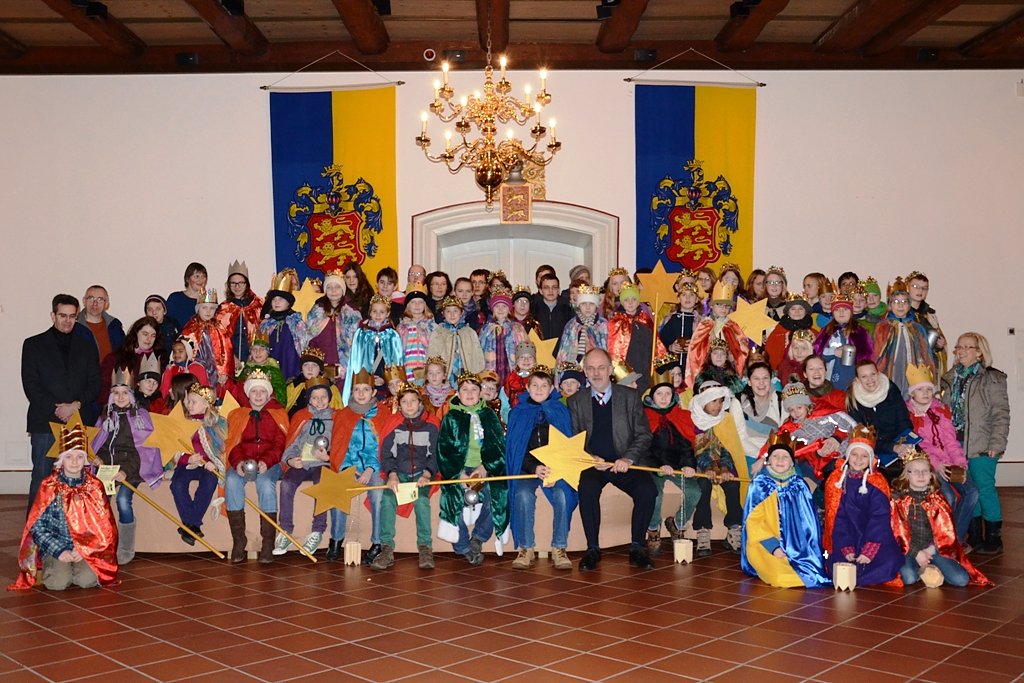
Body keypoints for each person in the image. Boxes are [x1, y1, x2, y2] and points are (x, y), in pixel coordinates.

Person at [568, 348, 656, 571]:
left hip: (624, 463)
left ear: (610, 370)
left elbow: (644, 434)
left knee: (647, 490)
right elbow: (573, 439)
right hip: (594, 464)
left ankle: (637, 547)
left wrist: (628, 458)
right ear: (585, 372)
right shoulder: (575, 401)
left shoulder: (629, 397)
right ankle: (592, 549)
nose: (596, 373)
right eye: (591, 368)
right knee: (587, 489)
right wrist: (590, 458)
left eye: (601, 368)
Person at [10, 424, 118, 591]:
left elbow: (104, 526)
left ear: (85, 460)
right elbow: (37, 526)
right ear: (61, 460)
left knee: (86, 581)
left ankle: (78, 568)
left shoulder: (94, 487)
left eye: (79, 457)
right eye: (69, 457)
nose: (74, 462)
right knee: (57, 583)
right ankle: (58, 567)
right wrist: (59, 551)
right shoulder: (49, 486)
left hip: (86, 547)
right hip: (56, 546)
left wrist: (83, 549)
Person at [941, 332, 1010, 555]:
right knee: (969, 490)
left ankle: (994, 538)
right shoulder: (949, 378)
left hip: (982, 444)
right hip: (956, 446)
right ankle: (976, 535)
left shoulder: (991, 378)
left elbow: (1000, 413)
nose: (961, 351)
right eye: (958, 347)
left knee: (984, 489)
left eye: (967, 347)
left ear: (979, 352)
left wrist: (997, 443)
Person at [505, 366, 577, 571]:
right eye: (534, 385)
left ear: (551, 388)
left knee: (563, 495)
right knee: (523, 495)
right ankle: (526, 548)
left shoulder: (559, 410)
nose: (539, 389)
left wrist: (555, 468)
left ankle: (559, 547)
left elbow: (566, 443)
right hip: (527, 467)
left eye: (544, 386)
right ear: (527, 388)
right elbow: (516, 449)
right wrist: (534, 467)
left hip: (555, 468)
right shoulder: (518, 412)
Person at [437, 372, 510, 565]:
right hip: (459, 469)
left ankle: (478, 537)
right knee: (452, 498)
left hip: (484, 468)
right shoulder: (451, 418)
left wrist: (485, 468)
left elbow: (498, 446)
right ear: (458, 393)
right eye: (465, 390)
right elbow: (444, 450)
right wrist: (459, 474)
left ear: (480, 392)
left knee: (497, 493)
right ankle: (463, 547)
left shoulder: (489, 416)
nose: (469, 394)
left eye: (474, 390)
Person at [91, 368, 163, 565]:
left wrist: (125, 472)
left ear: (131, 395)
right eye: (116, 393)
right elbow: (99, 445)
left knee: (123, 500)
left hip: (130, 470)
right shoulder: (105, 417)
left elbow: (143, 451)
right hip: (108, 469)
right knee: (99, 502)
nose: (120, 397)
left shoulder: (140, 416)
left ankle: (125, 547)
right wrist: (98, 459)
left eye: (125, 393)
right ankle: (102, 544)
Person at [890, 448, 990, 587]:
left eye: (925, 471)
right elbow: (896, 533)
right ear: (906, 475)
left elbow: (946, 532)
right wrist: (917, 553)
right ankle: (920, 566)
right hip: (907, 550)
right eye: (915, 471)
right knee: (909, 577)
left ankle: (930, 565)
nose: (921, 475)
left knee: (961, 580)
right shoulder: (899, 500)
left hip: (933, 549)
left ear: (931, 475)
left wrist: (930, 550)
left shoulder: (938, 500)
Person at [741, 435, 831, 588]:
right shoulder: (760, 486)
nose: (780, 460)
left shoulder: (799, 486)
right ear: (768, 460)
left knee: (811, 573)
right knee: (781, 577)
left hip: (795, 546)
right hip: (764, 545)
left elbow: (807, 522)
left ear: (792, 463)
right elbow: (754, 522)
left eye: (785, 457)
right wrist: (773, 546)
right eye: (775, 456)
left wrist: (800, 547)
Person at [906, 364, 978, 546]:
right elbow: (921, 447)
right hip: (929, 465)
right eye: (920, 389)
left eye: (928, 389)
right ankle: (940, 540)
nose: (925, 393)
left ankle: (954, 541)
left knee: (972, 493)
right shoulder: (908, 415)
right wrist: (937, 466)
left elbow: (951, 441)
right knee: (948, 497)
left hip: (950, 462)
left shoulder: (940, 410)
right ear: (912, 393)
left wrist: (960, 463)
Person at [821, 425, 903, 586]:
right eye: (854, 454)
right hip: (847, 535)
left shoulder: (877, 482)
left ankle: (860, 575)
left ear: (871, 459)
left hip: (874, 536)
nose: (858, 460)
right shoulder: (837, 481)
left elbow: (880, 518)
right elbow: (836, 517)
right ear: (847, 455)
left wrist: (869, 549)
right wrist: (846, 546)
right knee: (836, 563)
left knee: (889, 561)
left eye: (864, 456)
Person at [223, 369, 289, 564]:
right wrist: (238, 462)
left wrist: (266, 462)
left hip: (271, 462)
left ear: (269, 394)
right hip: (244, 461)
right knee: (231, 480)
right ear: (248, 393)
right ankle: (238, 541)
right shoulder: (237, 415)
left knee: (265, 483)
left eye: (262, 391)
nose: (258, 395)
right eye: (254, 391)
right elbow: (232, 443)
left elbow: (280, 444)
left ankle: (267, 543)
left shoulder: (278, 414)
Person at [374, 383, 439, 571]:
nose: (409, 405)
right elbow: (387, 454)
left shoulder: (431, 425)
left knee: (421, 501)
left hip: (421, 475)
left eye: (413, 401)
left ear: (420, 403)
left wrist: (427, 474)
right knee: (387, 499)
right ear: (399, 404)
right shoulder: (394, 425)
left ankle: (425, 547)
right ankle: (386, 548)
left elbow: (435, 454)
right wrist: (392, 475)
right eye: (405, 401)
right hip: (399, 474)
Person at [328, 369, 389, 564]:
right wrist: (349, 469)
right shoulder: (343, 415)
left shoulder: (383, 414)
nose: (361, 393)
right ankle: (336, 539)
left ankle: (377, 542)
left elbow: (385, 447)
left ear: (374, 392)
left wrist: (370, 469)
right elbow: (340, 447)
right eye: (357, 389)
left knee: (378, 493)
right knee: (336, 490)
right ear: (351, 392)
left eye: (366, 389)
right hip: (349, 466)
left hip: (375, 467)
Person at [274, 378, 335, 558]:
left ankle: (317, 531)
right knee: (286, 484)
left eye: (323, 397)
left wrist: (328, 457)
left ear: (329, 398)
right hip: (302, 462)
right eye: (315, 398)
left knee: (322, 484)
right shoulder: (301, 416)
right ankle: (285, 530)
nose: (319, 401)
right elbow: (293, 443)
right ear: (309, 399)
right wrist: (290, 460)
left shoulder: (336, 417)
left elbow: (341, 444)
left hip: (323, 464)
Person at [641, 381, 699, 554]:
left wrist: (688, 465)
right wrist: (658, 466)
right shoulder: (643, 417)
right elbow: (642, 448)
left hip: (677, 466)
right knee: (655, 494)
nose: (664, 398)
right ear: (652, 397)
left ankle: (677, 523)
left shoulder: (680, 416)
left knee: (694, 492)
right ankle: (653, 528)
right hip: (653, 467)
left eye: (668, 393)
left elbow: (686, 446)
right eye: (659, 394)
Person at [689, 380, 745, 557]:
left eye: (721, 401)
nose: (718, 405)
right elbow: (697, 449)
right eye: (714, 401)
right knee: (703, 486)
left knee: (733, 484)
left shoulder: (725, 419)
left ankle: (734, 528)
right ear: (703, 401)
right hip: (699, 465)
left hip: (722, 464)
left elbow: (728, 447)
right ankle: (703, 530)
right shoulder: (692, 419)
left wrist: (725, 468)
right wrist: (707, 467)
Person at [169, 383, 225, 545]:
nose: (189, 405)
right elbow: (174, 447)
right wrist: (187, 459)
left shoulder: (217, 424)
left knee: (210, 481)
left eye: (193, 402)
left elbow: (222, 447)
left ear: (206, 404)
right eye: (188, 401)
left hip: (208, 466)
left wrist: (214, 463)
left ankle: (188, 526)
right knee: (177, 484)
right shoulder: (183, 422)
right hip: (187, 464)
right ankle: (193, 526)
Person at [846, 360, 915, 480]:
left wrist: (905, 443)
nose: (870, 380)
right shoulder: (853, 400)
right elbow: (863, 438)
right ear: (857, 380)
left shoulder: (891, 390)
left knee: (917, 468)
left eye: (873, 374)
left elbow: (903, 421)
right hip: (875, 448)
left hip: (900, 443)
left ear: (878, 373)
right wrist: (892, 447)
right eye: (864, 376)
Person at [873, 277, 935, 398]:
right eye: (896, 302)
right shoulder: (882, 327)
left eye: (904, 302)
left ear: (909, 305)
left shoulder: (917, 328)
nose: (900, 306)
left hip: (913, 374)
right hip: (890, 373)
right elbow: (877, 353)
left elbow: (925, 354)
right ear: (890, 305)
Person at [685, 281, 749, 388]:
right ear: (712, 306)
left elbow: (742, 347)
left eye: (727, 306)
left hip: (728, 369)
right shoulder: (704, 324)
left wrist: (733, 354)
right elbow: (695, 349)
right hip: (708, 369)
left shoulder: (733, 326)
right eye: (719, 305)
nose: (723, 309)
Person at [607, 283, 666, 396]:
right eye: (627, 300)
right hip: (627, 370)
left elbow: (656, 344)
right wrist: (620, 372)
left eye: (634, 299)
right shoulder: (616, 322)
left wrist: (660, 364)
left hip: (645, 367)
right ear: (622, 302)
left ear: (638, 301)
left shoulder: (646, 320)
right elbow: (613, 351)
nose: (630, 303)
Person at [98, 316, 164, 408]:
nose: (149, 339)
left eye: (153, 335)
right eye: (145, 334)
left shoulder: (159, 360)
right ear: (135, 333)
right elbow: (102, 389)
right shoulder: (114, 358)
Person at [813, 293, 873, 391]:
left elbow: (867, 354)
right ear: (833, 313)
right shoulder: (827, 331)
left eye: (845, 309)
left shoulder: (860, 331)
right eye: (837, 310)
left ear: (851, 311)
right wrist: (834, 352)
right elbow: (818, 352)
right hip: (832, 376)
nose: (841, 312)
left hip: (854, 376)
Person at [180, 289, 233, 394]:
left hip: (216, 373)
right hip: (196, 372)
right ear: (198, 309)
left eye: (212, 308)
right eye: (204, 308)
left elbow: (227, 351)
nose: (208, 311)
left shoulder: (220, 329)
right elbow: (183, 349)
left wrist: (224, 371)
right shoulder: (190, 328)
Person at [260, 269, 307, 384]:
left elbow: (303, 345)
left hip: (291, 366)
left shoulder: (296, 322)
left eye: (281, 299)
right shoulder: (266, 324)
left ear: (288, 303)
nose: (277, 302)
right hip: (271, 368)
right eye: (274, 300)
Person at [426, 295, 485, 386]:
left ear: (461, 313)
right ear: (443, 313)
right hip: (446, 376)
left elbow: (477, 354)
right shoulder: (438, 333)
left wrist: (478, 372)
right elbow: (432, 354)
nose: (452, 314)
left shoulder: (469, 332)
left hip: (466, 374)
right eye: (448, 311)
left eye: (455, 311)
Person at [217, 260, 264, 368]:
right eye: (233, 283)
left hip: (254, 359)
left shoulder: (258, 306)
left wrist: (255, 355)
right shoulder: (223, 309)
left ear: (246, 284)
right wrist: (231, 357)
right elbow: (219, 337)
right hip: (230, 361)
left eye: (241, 283)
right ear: (228, 285)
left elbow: (263, 334)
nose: (237, 286)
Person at [479, 288, 528, 387]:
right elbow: (479, 350)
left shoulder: (517, 328)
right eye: (497, 306)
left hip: (511, 369)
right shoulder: (486, 329)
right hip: (491, 371)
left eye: (504, 306)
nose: (500, 309)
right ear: (493, 309)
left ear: (509, 309)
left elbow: (524, 349)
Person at [555, 284, 608, 369]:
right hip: (574, 366)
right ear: (579, 305)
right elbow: (564, 349)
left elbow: (607, 348)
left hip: (596, 366)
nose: (587, 308)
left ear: (596, 306)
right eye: (583, 304)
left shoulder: (603, 325)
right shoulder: (571, 325)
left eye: (591, 304)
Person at [77, 285, 126, 363]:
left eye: (100, 299)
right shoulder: (74, 326)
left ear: (106, 304)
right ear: (84, 301)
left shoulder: (115, 326)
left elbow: (125, 353)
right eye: (91, 298)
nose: (95, 303)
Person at [397, 284, 436, 382]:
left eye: (420, 302)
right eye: (413, 302)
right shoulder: (402, 327)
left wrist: (424, 331)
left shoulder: (431, 325)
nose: (417, 305)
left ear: (425, 305)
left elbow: (434, 347)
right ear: (408, 305)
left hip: (426, 367)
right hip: (408, 367)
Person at [166, 262, 209, 330]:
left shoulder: (209, 301)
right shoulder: (175, 299)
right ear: (187, 279)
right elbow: (167, 324)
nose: (200, 280)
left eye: (203, 276)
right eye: (197, 276)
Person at [533, 273, 572, 340]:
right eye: (546, 287)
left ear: (558, 290)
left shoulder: (567, 310)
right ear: (541, 291)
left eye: (554, 287)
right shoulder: (534, 310)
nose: (550, 291)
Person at [144, 294, 180, 360]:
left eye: (158, 309)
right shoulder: (142, 329)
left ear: (164, 311)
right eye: (150, 309)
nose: (154, 312)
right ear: (146, 313)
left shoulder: (173, 325)